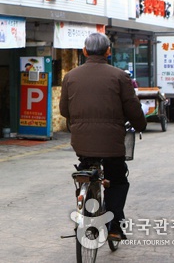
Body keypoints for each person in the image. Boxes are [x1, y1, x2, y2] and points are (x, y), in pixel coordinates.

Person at [59, 32, 147, 241]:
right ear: (108, 51)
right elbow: (132, 108)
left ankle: (85, 192)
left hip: (81, 142)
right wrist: (140, 124)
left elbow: (64, 110)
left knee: (87, 167)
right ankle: (114, 226)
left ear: (84, 51)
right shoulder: (119, 76)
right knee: (117, 179)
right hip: (112, 142)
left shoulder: (70, 76)